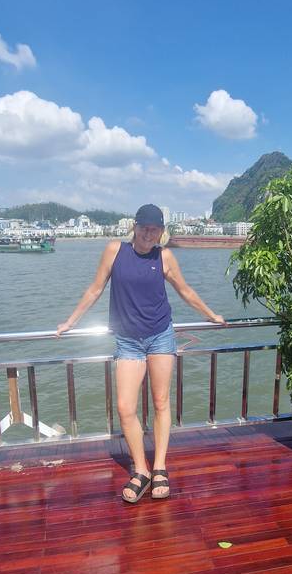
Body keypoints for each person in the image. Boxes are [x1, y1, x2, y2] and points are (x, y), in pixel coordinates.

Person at [57, 204, 225, 504]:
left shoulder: (164, 256)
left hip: (160, 336)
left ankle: (159, 466)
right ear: (134, 227)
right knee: (125, 408)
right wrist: (70, 322)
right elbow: (95, 289)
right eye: (144, 227)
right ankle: (141, 470)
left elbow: (185, 291)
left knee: (161, 402)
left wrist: (211, 315)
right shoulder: (115, 251)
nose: (149, 233)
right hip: (128, 341)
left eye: (155, 229)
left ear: (161, 231)